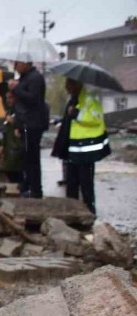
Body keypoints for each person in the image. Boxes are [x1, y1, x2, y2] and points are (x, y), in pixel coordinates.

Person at [63, 78, 109, 214]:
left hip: (86, 151)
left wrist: (76, 114)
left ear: (77, 84)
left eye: (69, 84)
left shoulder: (90, 100)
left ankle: (89, 212)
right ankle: (72, 211)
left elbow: (95, 119)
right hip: (73, 149)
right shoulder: (72, 100)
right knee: (71, 183)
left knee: (86, 184)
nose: (66, 87)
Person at [8, 61, 49, 198]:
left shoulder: (35, 78)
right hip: (24, 122)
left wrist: (16, 88)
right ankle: (27, 184)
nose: (15, 66)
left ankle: (35, 189)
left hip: (33, 123)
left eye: (17, 63)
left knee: (32, 157)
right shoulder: (25, 77)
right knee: (26, 157)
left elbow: (33, 99)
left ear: (26, 63)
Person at [0, 90, 24, 190]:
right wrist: (2, 145)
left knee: (17, 170)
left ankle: (21, 188)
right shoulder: (9, 112)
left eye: (10, 97)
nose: (8, 100)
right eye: (7, 98)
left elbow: (25, 126)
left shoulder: (20, 111)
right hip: (9, 146)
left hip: (17, 146)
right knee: (9, 169)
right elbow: (5, 130)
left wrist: (15, 122)